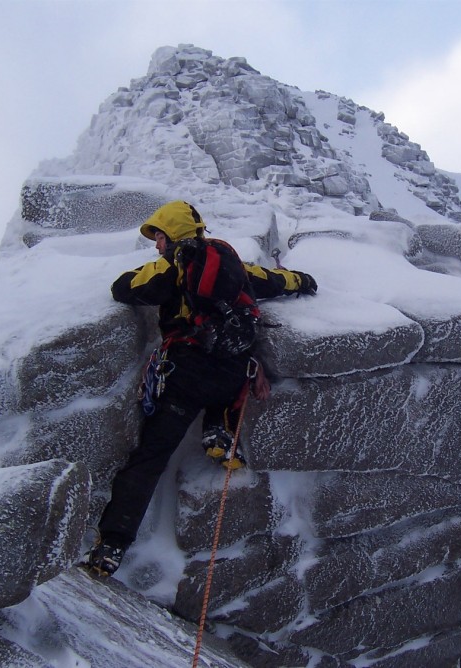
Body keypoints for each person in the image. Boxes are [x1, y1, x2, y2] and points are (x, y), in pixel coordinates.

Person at [83, 200, 317, 576]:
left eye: (159, 236)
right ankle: (219, 427)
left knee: (150, 458)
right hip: (232, 372)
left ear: (172, 233)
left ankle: (113, 543)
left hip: (187, 375)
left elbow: (124, 288)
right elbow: (271, 281)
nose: (156, 245)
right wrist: (301, 280)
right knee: (224, 390)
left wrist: (156, 270)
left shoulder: (172, 265)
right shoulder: (232, 264)